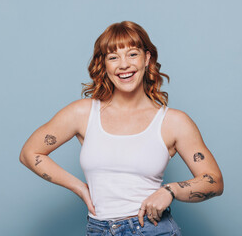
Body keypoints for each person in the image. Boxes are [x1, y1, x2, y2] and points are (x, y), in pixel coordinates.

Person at [19, 21, 223, 236]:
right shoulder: (83, 113)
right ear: (104, 65)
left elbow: (214, 181)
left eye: (132, 54)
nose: (123, 65)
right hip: (98, 229)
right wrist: (80, 188)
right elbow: (29, 153)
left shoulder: (173, 122)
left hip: (151, 229)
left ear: (147, 58)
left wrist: (170, 190)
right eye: (113, 57)